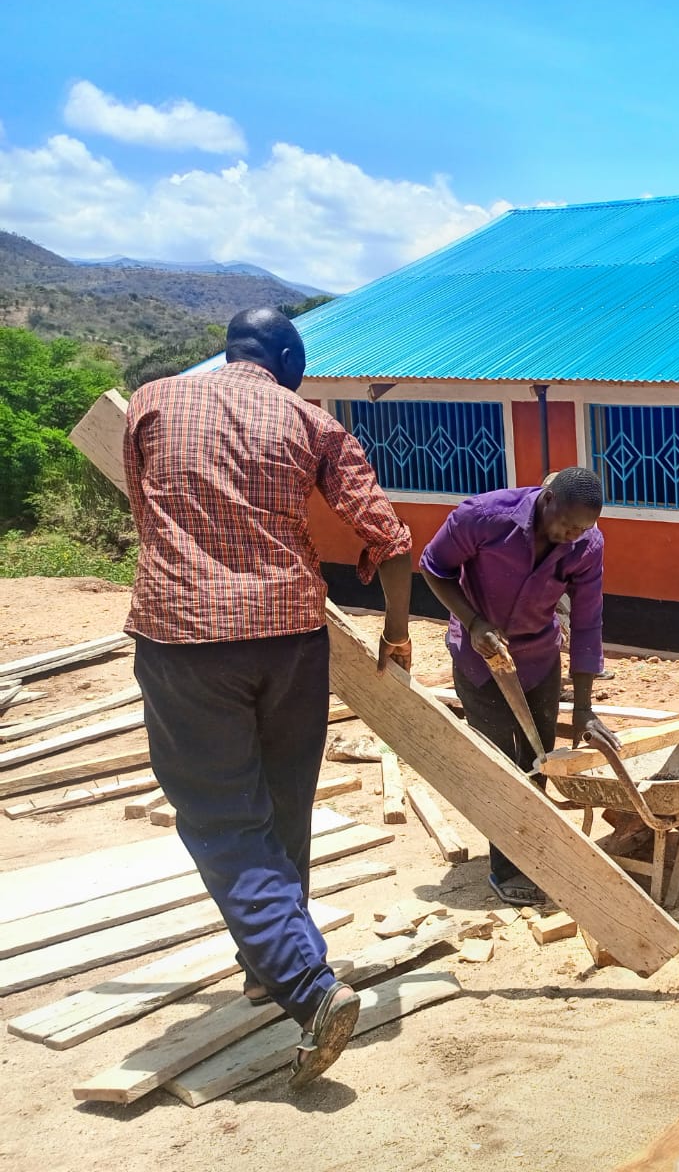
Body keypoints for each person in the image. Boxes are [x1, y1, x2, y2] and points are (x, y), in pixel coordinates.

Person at [124, 307, 414, 1090]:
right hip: (289, 639)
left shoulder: (151, 402)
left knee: (224, 817)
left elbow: (146, 516)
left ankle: (305, 985)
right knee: (284, 804)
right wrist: (395, 632)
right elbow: (389, 538)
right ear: (288, 359)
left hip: (184, 637)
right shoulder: (310, 421)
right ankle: (269, 965)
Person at [420, 467, 618, 907]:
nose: (572, 535)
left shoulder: (587, 544)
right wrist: (474, 622)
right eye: (567, 525)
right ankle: (506, 868)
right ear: (548, 500)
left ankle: (531, 851)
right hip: (480, 659)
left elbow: (588, 621)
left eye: (583, 528)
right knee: (499, 764)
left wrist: (584, 709)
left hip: (539, 658)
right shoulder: (484, 517)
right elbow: (434, 567)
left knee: (538, 760)